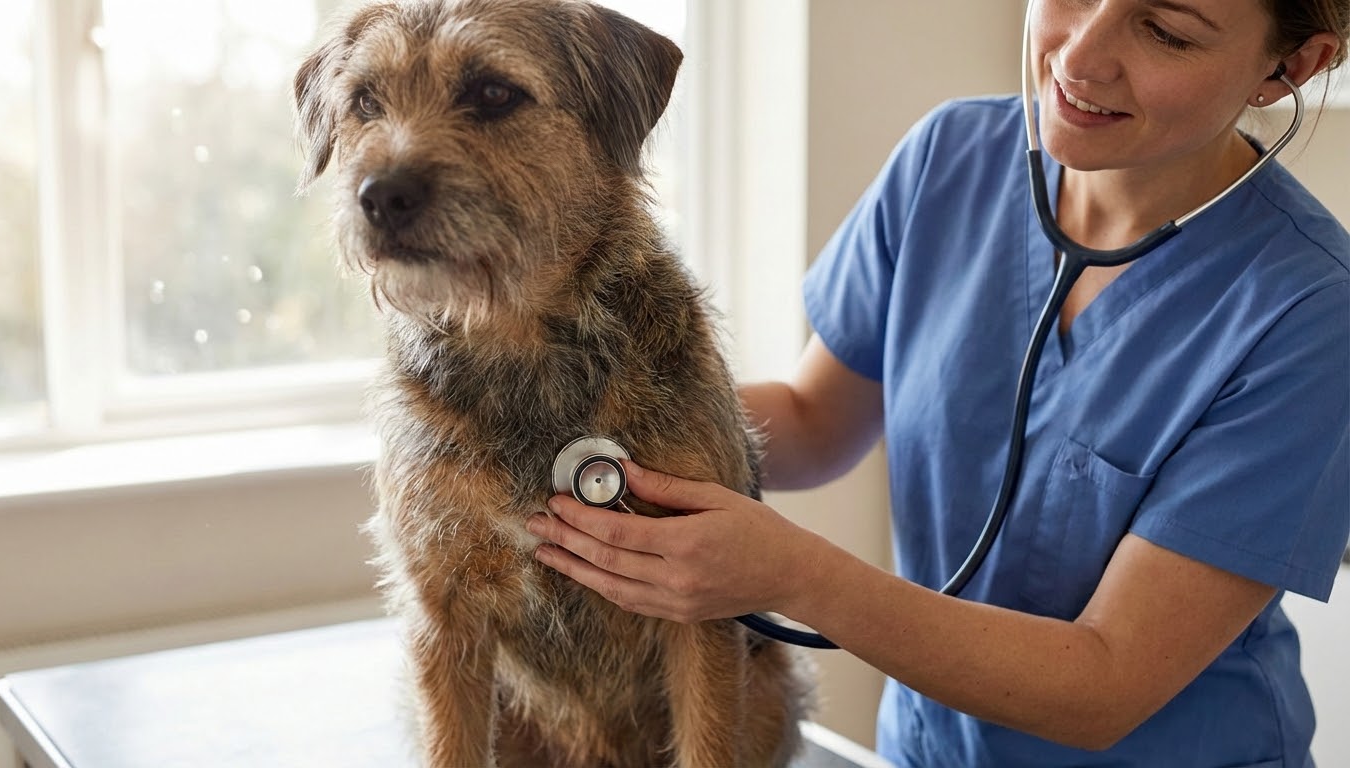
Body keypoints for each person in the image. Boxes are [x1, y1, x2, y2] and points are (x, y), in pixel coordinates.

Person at [524, 0, 1350, 764]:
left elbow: (1105, 683)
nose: (1078, 57)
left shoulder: (1308, 312)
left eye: (1164, 31)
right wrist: (579, 417)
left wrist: (789, 573)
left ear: (1293, 65)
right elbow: (812, 422)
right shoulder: (950, 158)